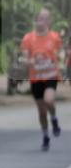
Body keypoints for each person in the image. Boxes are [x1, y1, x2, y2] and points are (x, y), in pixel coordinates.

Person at [20, 8, 63, 151]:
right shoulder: (28, 38)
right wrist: (31, 61)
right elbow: (25, 58)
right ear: (35, 20)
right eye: (39, 18)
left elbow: (61, 55)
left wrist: (58, 61)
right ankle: (45, 135)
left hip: (50, 76)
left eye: (45, 18)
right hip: (36, 77)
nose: (41, 21)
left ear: (49, 22)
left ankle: (54, 119)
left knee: (48, 100)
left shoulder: (55, 37)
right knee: (41, 111)